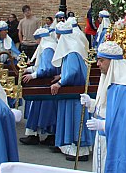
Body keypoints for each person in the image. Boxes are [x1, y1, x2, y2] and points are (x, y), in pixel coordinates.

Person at [80, 41, 126, 173]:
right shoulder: (109, 78)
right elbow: (108, 107)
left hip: (118, 142)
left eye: (101, 60)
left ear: (112, 61)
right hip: (103, 139)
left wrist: (104, 125)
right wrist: (92, 104)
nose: (98, 64)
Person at [50, 21, 93, 161]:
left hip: (74, 92)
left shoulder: (72, 51)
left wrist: (60, 82)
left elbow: (73, 71)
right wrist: (61, 76)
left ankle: (79, 151)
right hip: (74, 90)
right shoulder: (74, 47)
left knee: (75, 120)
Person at [20, 27, 60, 146]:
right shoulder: (50, 46)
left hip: (44, 83)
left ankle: (38, 135)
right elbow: (40, 65)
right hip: (45, 83)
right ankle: (39, 134)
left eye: (37, 40)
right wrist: (29, 69)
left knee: (44, 111)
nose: (37, 42)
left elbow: (47, 68)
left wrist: (33, 75)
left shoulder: (48, 49)